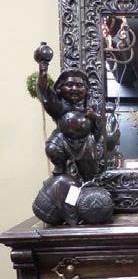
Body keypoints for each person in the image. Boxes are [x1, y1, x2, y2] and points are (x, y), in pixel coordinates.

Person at [35, 43, 103, 182]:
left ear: (86, 90)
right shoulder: (59, 105)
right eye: (69, 85)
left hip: (85, 142)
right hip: (63, 139)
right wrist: (43, 70)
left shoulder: (90, 105)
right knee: (52, 148)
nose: (74, 89)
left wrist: (94, 117)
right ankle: (61, 171)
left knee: (89, 169)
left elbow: (99, 127)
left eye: (79, 85)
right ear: (60, 89)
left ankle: (87, 181)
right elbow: (44, 92)